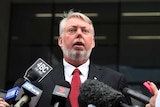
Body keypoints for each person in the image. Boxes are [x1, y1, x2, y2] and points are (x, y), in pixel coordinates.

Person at [0, 10, 132, 107]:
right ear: (61, 41)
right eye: (72, 30)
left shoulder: (115, 80)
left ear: (93, 42)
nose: (79, 34)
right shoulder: (40, 80)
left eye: (85, 31)